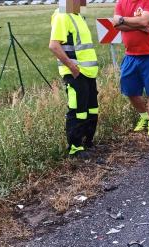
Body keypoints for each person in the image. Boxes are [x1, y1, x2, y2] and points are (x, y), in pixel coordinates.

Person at [49, 0, 99, 158]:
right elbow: (54, 45)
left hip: (88, 73)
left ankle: (87, 142)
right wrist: (72, 67)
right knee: (77, 110)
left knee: (90, 109)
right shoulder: (62, 16)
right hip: (76, 73)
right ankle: (75, 147)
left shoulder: (78, 16)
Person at [112, 0, 149, 138]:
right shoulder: (121, 3)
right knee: (129, 90)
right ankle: (144, 117)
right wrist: (139, 26)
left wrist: (123, 20)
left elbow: (144, 20)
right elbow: (116, 25)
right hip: (130, 56)